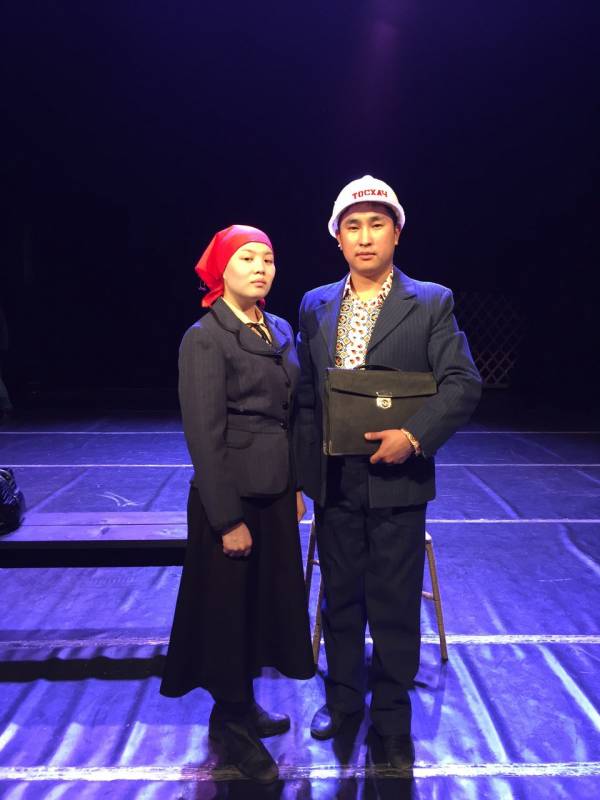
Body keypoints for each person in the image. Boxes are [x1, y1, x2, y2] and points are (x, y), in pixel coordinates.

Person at [296, 175, 481, 769]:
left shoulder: (430, 301)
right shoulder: (315, 304)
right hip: (334, 480)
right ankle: (344, 700)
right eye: (353, 226)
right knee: (340, 596)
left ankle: (393, 715)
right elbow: (305, 399)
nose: (365, 236)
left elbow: (462, 383)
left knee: (396, 602)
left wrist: (415, 436)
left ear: (396, 233)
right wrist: (301, 477)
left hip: (399, 481)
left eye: (377, 224)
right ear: (338, 237)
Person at [161, 224, 314, 784]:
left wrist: (295, 487)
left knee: (261, 604)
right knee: (227, 611)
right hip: (231, 497)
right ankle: (230, 722)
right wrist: (227, 519)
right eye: (247, 258)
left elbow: (289, 415)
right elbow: (204, 435)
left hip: (274, 491)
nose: (260, 268)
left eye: (267, 259)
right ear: (221, 270)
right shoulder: (206, 337)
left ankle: (243, 705)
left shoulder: (279, 328)